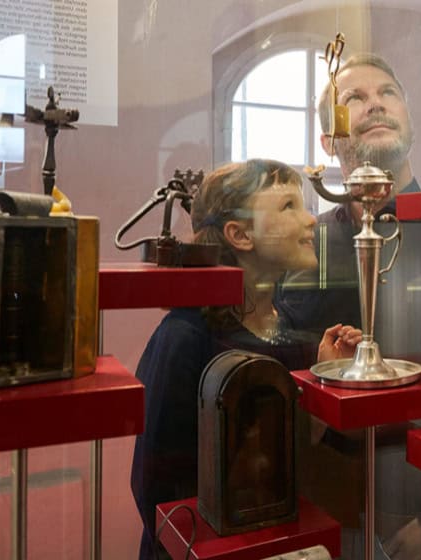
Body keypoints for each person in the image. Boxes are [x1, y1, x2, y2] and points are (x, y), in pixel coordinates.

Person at [277, 54, 421, 560]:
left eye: (388, 93)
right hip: (318, 515)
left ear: (410, 120)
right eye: (354, 99)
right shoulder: (299, 252)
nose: (375, 105)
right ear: (328, 141)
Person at [130, 159, 363, 560]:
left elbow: (291, 460)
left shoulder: (289, 328)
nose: (310, 221)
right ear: (240, 234)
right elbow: (158, 489)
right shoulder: (184, 338)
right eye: (289, 207)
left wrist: (323, 378)